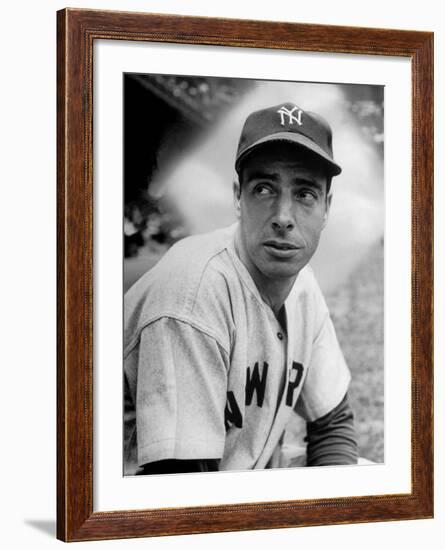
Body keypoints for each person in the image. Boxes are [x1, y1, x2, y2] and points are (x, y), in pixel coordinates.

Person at [123, 102, 358, 475]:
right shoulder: (193, 296)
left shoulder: (302, 286)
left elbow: (333, 424)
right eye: (264, 189)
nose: (283, 217)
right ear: (238, 197)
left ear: (326, 207)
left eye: (304, 194)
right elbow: (179, 488)